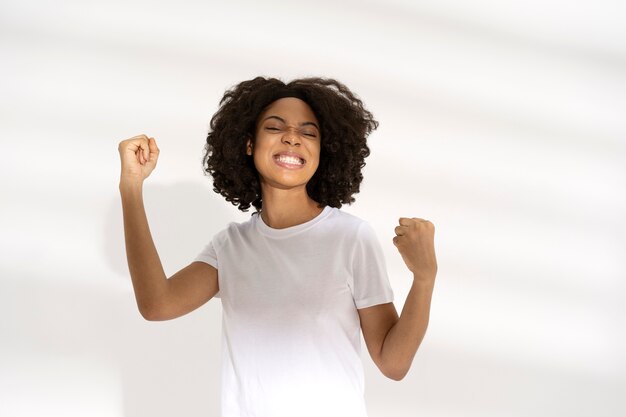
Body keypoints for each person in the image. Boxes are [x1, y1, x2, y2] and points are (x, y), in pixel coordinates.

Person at [118, 77, 437, 417]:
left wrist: (424, 277)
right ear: (249, 144)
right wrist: (131, 186)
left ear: (323, 152)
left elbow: (393, 363)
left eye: (308, 132)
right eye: (275, 127)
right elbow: (157, 304)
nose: (292, 137)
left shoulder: (350, 237)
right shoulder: (231, 245)